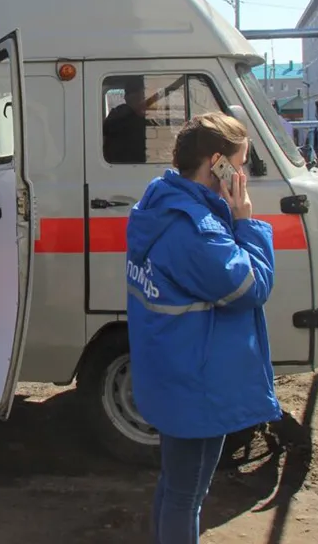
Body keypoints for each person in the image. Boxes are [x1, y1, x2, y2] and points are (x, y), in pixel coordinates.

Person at [124, 112, 280, 544]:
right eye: (240, 162)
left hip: (172, 374)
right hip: (196, 386)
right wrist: (245, 220)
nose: (243, 173)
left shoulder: (160, 205)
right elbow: (253, 286)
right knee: (186, 497)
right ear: (217, 163)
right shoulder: (198, 232)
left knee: (176, 486)